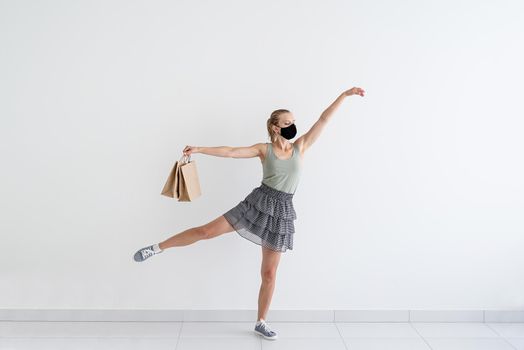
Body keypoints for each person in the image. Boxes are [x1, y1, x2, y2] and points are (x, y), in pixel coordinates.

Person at [133, 87, 365, 340]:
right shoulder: (263, 149)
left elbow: (324, 119)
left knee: (269, 274)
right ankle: (158, 247)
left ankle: (261, 321)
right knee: (205, 232)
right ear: (276, 127)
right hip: (258, 203)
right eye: (287, 123)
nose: (293, 126)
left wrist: (345, 95)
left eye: (294, 122)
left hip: (282, 211)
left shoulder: (301, 146)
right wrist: (200, 149)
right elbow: (231, 151)